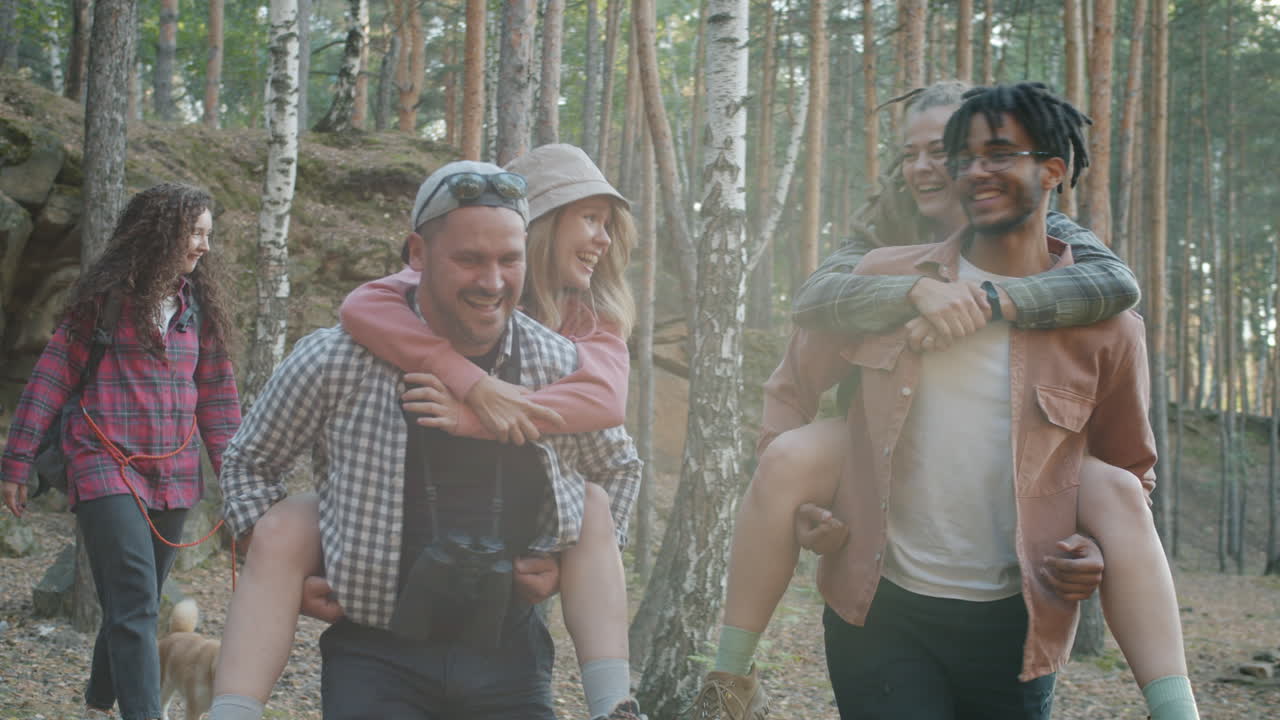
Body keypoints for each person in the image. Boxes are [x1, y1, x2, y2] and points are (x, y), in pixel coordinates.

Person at [691, 82, 1197, 720]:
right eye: (955, 157)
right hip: (881, 612)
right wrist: (797, 504)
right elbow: (794, 381)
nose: (965, 170)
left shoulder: (1105, 320)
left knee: (1114, 490)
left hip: (1017, 623)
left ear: (1051, 171)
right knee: (792, 454)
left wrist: (1101, 548)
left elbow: (1128, 472)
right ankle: (728, 685)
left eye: (996, 154)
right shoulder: (877, 274)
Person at [217, 159, 642, 720]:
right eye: (469, 259)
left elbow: (619, 468)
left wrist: (566, 561)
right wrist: (285, 566)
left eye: (509, 260)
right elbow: (248, 463)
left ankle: (616, 708)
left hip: (507, 647)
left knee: (591, 502)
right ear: (417, 254)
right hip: (376, 651)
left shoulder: (555, 361)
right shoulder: (337, 358)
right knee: (289, 520)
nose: (492, 282)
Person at [1, 183, 241, 720]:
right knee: (134, 598)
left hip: (174, 472)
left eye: (208, 234)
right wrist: (16, 463)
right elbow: (50, 378)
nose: (204, 245)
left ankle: (96, 705)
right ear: (161, 234)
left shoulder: (199, 310)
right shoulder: (105, 301)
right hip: (101, 460)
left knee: (137, 601)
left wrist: (238, 483)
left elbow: (219, 400)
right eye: (194, 233)